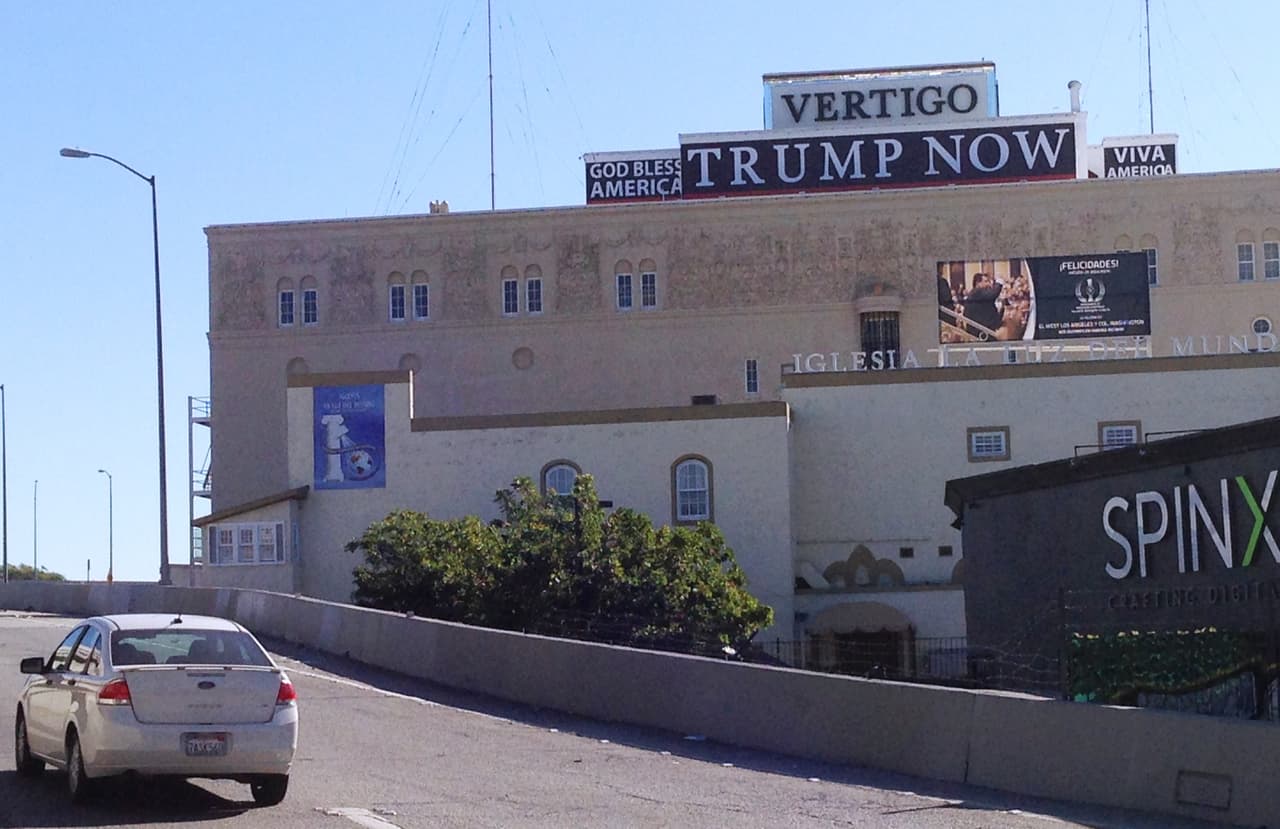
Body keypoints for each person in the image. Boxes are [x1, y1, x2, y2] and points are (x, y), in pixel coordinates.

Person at [963, 272, 1004, 338]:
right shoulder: (977, 292)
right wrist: (999, 282)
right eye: (985, 281)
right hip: (981, 332)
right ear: (977, 283)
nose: (988, 284)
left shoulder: (977, 294)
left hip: (983, 330)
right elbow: (993, 294)